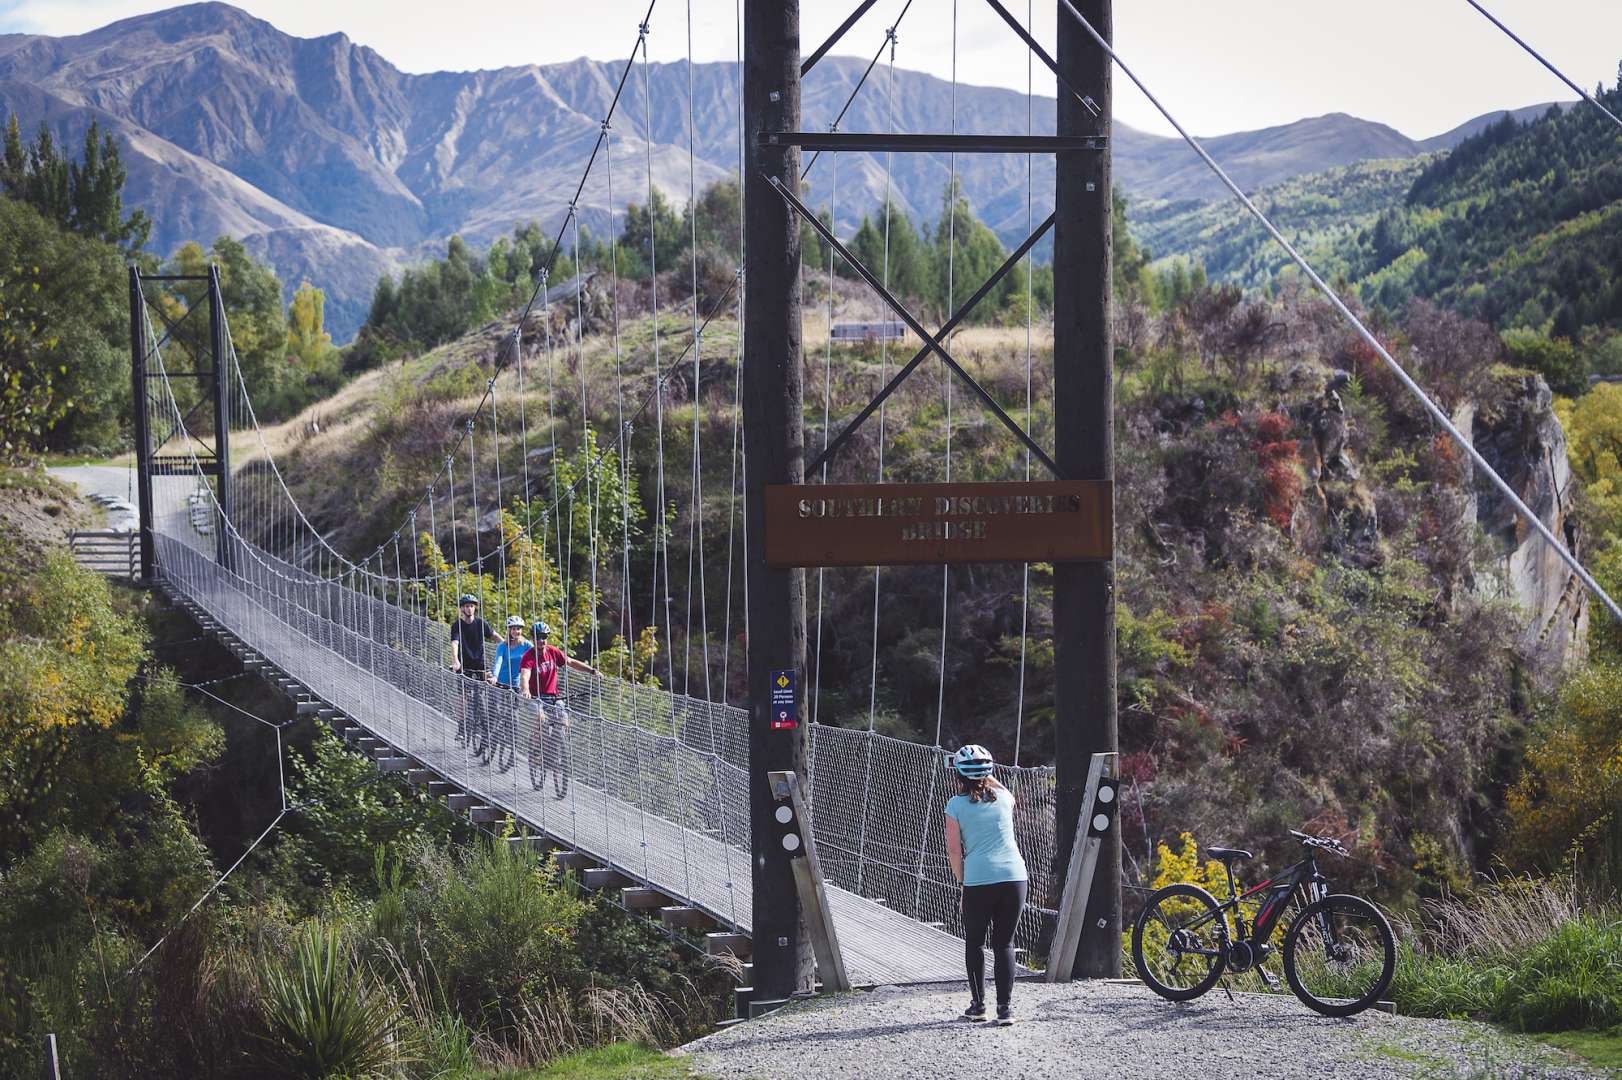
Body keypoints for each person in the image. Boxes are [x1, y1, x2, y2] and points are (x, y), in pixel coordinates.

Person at [944, 743, 1028, 1026]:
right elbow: (994, 784)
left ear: (958, 775)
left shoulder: (955, 806)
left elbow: (954, 851)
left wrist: (962, 881)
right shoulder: (1005, 798)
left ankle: (978, 1006)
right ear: (989, 771)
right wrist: (985, 773)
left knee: (975, 943)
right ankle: (1005, 1010)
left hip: (979, 880)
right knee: (1005, 942)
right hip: (1016, 877)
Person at [521, 619, 599, 798]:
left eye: (544, 637)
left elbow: (571, 662)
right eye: (538, 638)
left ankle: (558, 747)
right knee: (541, 718)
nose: (541, 641)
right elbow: (525, 675)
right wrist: (525, 690)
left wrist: (592, 671)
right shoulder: (529, 656)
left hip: (554, 697)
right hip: (535, 698)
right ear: (532, 639)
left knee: (564, 721)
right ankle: (536, 750)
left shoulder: (553, 652)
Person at [448, 594, 497, 746]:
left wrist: (509, 646)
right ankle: (461, 727)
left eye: (472, 605)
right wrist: (455, 660)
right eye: (466, 606)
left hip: (481, 665)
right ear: (462, 608)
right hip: (464, 666)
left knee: (491, 691)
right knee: (462, 696)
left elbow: (495, 636)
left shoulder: (481, 623)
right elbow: (455, 643)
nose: (469, 608)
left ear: (475, 608)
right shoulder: (457, 625)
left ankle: (488, 729)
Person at [487, 616, 533, 771]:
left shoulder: (527, 645)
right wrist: (494, 676)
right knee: (497, 712)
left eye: (518, 628)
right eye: (513, 628)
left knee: (514, 717)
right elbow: (498, 661)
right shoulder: (502, 646)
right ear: (509, 630)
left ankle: (512, 750)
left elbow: (535, 658)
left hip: (515, 686)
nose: (516, 631)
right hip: (500, 683)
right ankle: (492, 735)